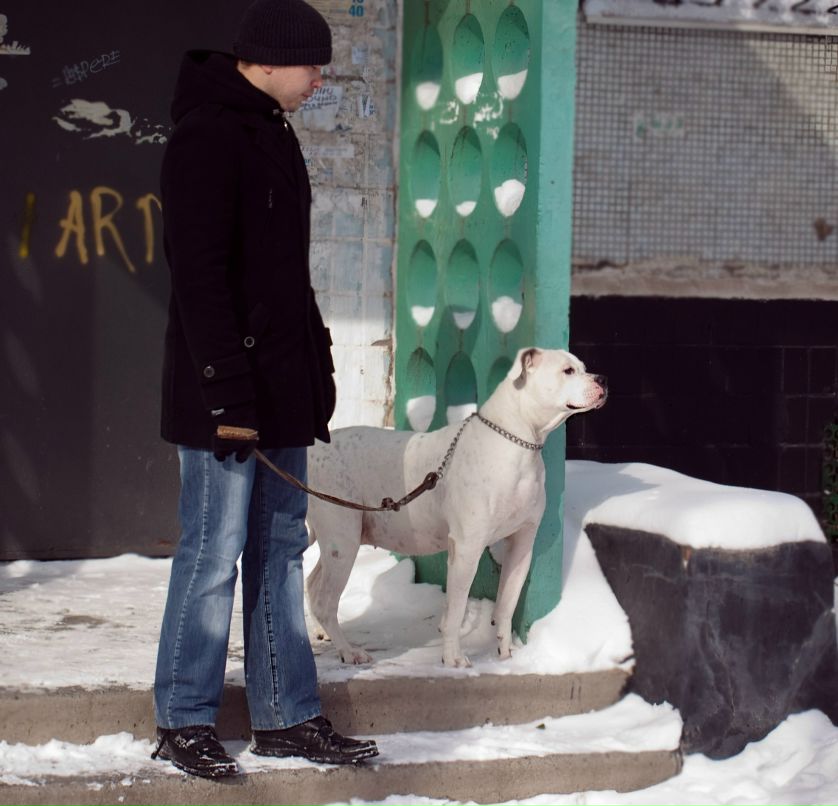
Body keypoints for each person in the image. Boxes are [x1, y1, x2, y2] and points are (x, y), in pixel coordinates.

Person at [151, 0, 378, 779]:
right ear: (271, 60)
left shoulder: (271, 133)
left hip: (280, 393)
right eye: (312, 64)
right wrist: (225, 395)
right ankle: (184, 718)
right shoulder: (206, 136)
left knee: (280, 552)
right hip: (228, 399)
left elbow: (283, 279)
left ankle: (286, 716)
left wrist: (316, 367)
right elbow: (199, 281)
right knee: (212, 554)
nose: (319, 79)